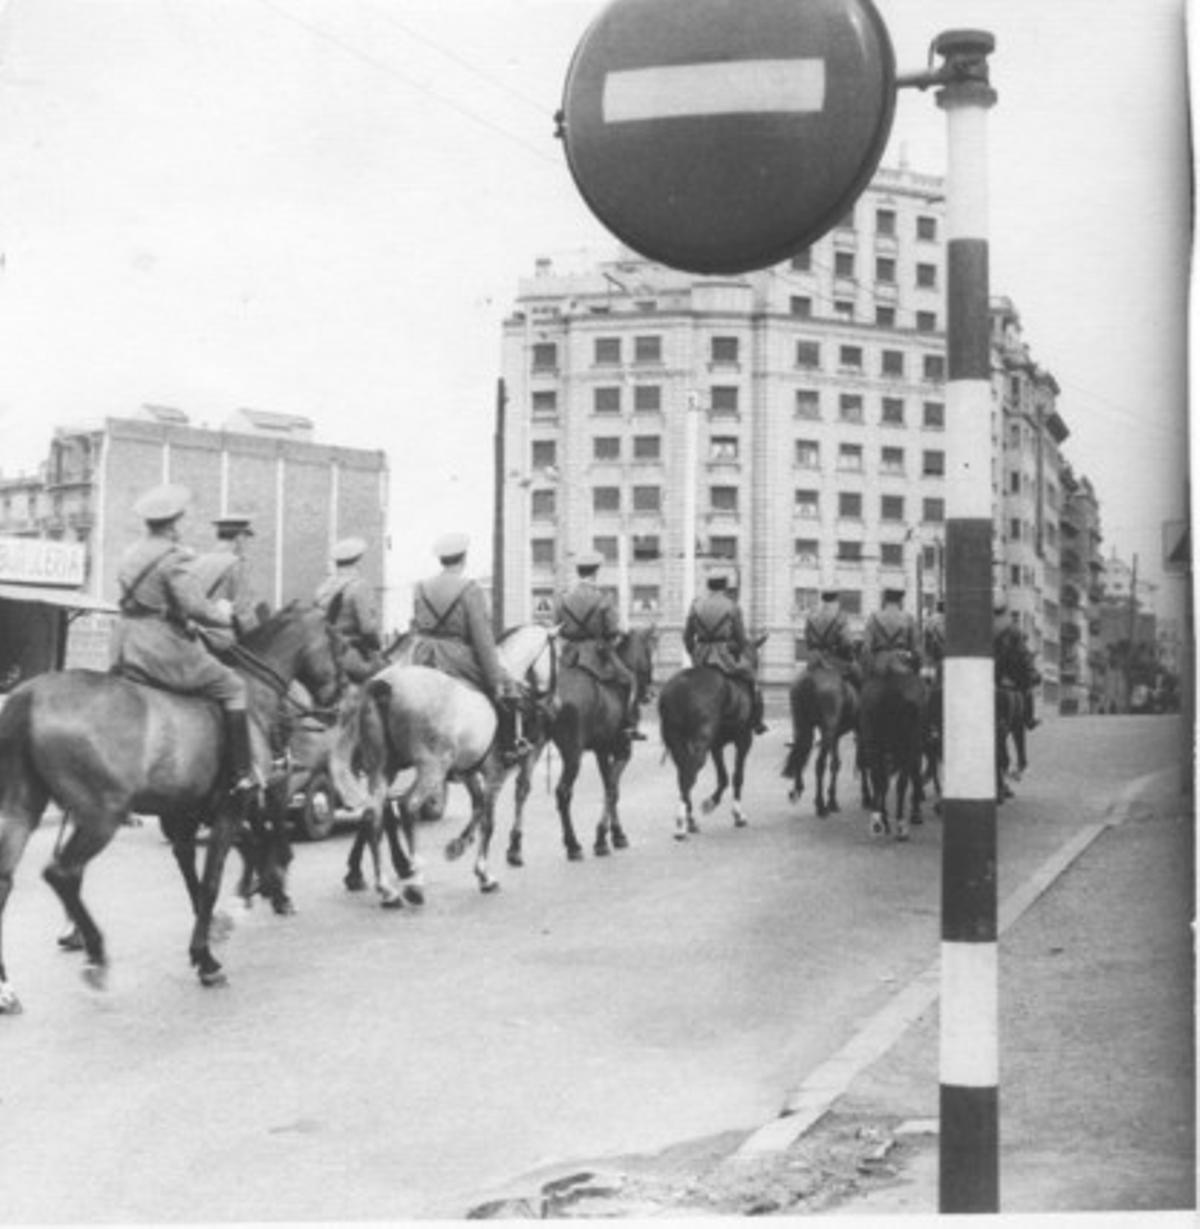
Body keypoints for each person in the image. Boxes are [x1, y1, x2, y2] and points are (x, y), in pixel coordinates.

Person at [109, 482, 255, 795]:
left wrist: (181, 619)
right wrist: (224, 616)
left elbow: (151, 600)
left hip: (124, 642)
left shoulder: (129, 552)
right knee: (233, 687)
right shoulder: (174, 557)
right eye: (181, 521)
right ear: (174, 523)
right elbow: (195, 606)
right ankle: (241, 773)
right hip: (159, 646)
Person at [409, 531, 529, 764]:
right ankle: (509, 746)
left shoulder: (420, 587)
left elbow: (416, 624)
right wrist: (497, 679)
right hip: (456, 655)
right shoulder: (470, 589)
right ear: (463, 558)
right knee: (508, 689)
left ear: (441, 560)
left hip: (422, 653)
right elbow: (482, 639)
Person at [552, 550, 644, 740]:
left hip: (568, 655)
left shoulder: (563, 598)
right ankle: (628, 724)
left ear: (578, 572)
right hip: (596, 654)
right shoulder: (603, 599)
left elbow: (558, 627)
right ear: (595, 572)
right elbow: (612, 631)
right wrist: (613, 638)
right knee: (629, 680)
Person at [683, 570, 767, 734]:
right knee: (751, 679)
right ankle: (756, 721)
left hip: (700, 655)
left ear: (708, 586)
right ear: (725, 586)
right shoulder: (732, 606)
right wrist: (739, 651)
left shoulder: (695, 604)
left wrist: (694, 653)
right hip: (723, 656)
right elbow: (741, 639)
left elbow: (687, 637)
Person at [315, 536, 383, 683]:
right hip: (350, 652)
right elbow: (367, 629)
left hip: (324, 651)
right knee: (385, 681)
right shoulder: (359, 586)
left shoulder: (323, 587)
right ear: (358, 560)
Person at [188, 514, 259, 652]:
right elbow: (243, 611)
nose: (246, 544)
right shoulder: (237, 564)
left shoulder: (198, 561)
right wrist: (258, 640)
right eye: (246, 539)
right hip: (218, 640)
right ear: (239, 538)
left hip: (191, 636)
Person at [994, 602, 1041, 729]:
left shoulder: (983, 625)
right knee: (1027, 689)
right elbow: (1023, 655)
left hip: (987, 674)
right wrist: (1032, 673)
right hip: (1009, 673)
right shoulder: (1012, 629)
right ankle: (1028, 719)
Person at [804, 588, 860, 686]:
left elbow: (808, 640)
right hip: (834, 661)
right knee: (857, 674)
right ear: (836, 600)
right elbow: (846, 642)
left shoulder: (811, 616)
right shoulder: (841, 616)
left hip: (814, 661)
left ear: (822, 599)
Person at [862, 587, 922, 677]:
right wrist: (915, 670)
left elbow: (866, 649)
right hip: (902, 664)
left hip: (879, 666)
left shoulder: (873, 618)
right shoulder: (908, 618)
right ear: (900, 601)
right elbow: (917, 650)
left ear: (884, 600)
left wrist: (868, 670)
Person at [923, 598, 946, 681]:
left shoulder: (930, 620)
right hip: (946, 651)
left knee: (935, 675)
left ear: (936, 608)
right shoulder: (949, 619)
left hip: (935, 651)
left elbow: (926, 637)